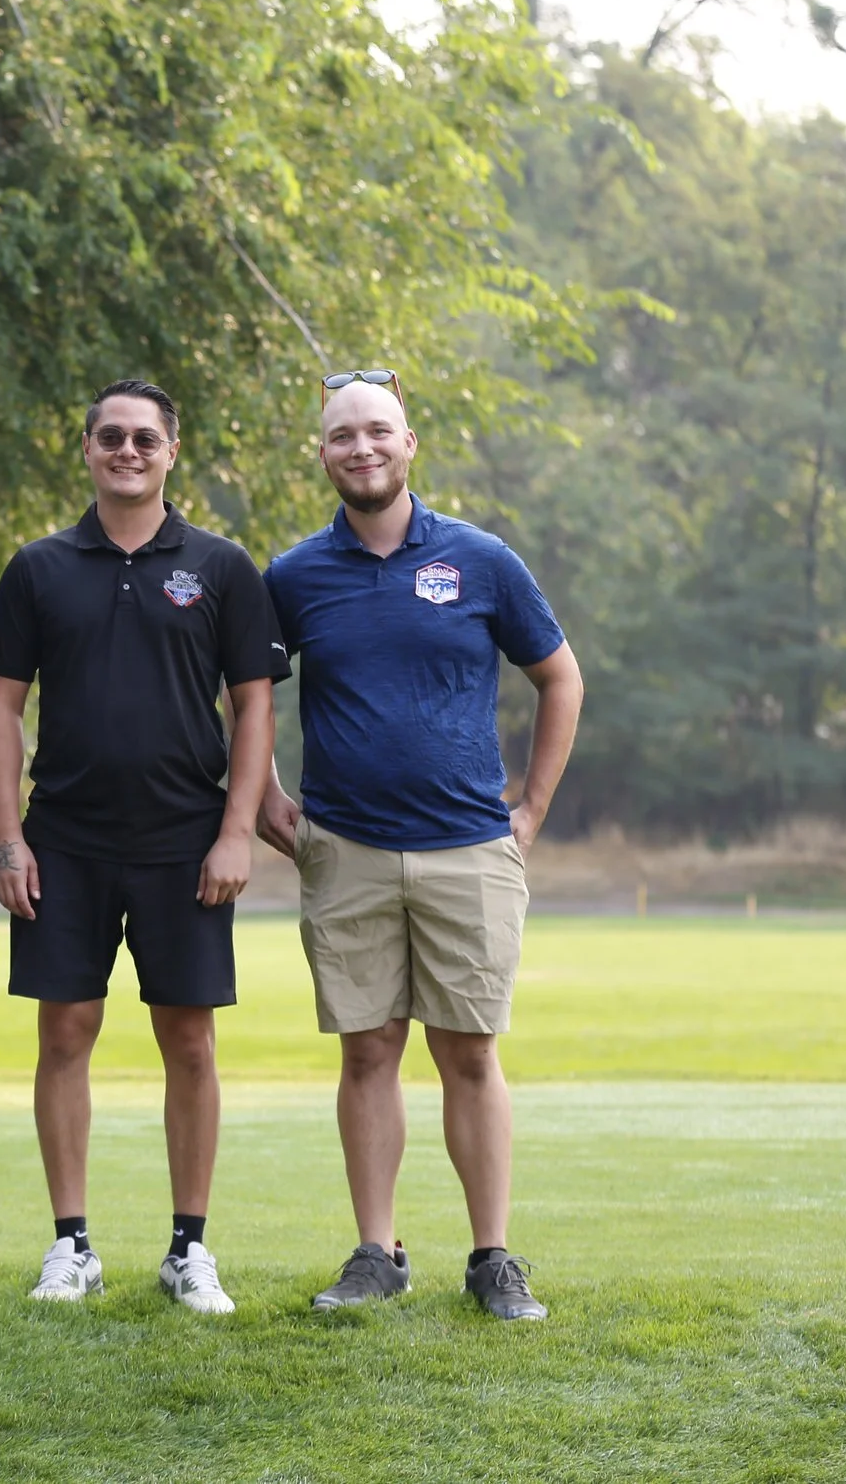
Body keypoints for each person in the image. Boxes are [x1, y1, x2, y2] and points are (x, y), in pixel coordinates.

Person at [258, 369, 584, 1322]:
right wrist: (269, 803)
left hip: (470, 849)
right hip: (345, 850)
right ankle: (377, 1252)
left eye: (378, 432)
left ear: (410, 443)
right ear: (322, 454)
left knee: (470, 1054)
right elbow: (241, 694)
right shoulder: (293, 576)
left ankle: (492, 1259)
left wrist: (531, 809)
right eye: (341, 436)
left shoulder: (481, 560)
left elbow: (559, 679)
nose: (361, 447)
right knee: (368, 1053)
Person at [0, 380, 287, 1313]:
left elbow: (256, 708)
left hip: (185, 842)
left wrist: (238, 832)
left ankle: (188, 1248)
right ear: (86, 448)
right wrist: (5, 840)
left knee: (187, 1039)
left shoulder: (223, 566)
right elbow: (0, 710)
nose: (127, 450)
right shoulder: (38, 567)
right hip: (63, 840)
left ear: (171, 450)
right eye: (110, 436)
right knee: (64, 1032)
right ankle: (71, 1244)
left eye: (143, 438)